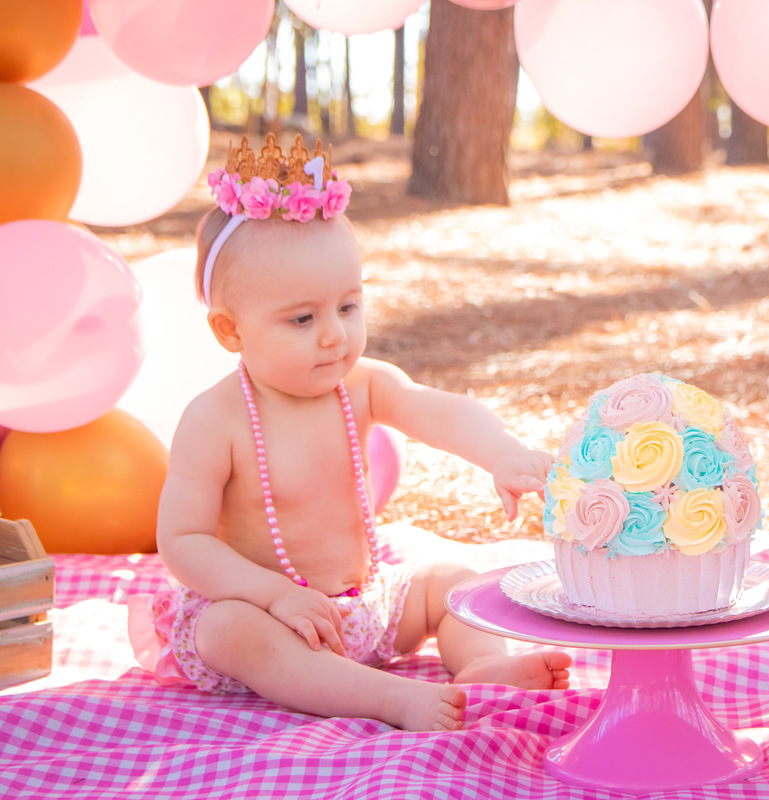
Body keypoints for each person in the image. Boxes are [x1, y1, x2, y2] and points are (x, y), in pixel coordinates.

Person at [128, 135, 569, 733]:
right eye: (303, 319)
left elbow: (439, 411)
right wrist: (271, 594)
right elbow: (182, 540)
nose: (334, 336)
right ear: (231, 331)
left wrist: (503, 454)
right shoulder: (217, 418)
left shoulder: (360, 385)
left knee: (454, 585)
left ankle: (483, 666)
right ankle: (382, 697)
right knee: (229, 632)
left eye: (348, 307)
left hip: (367, 606)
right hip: (273, 616)